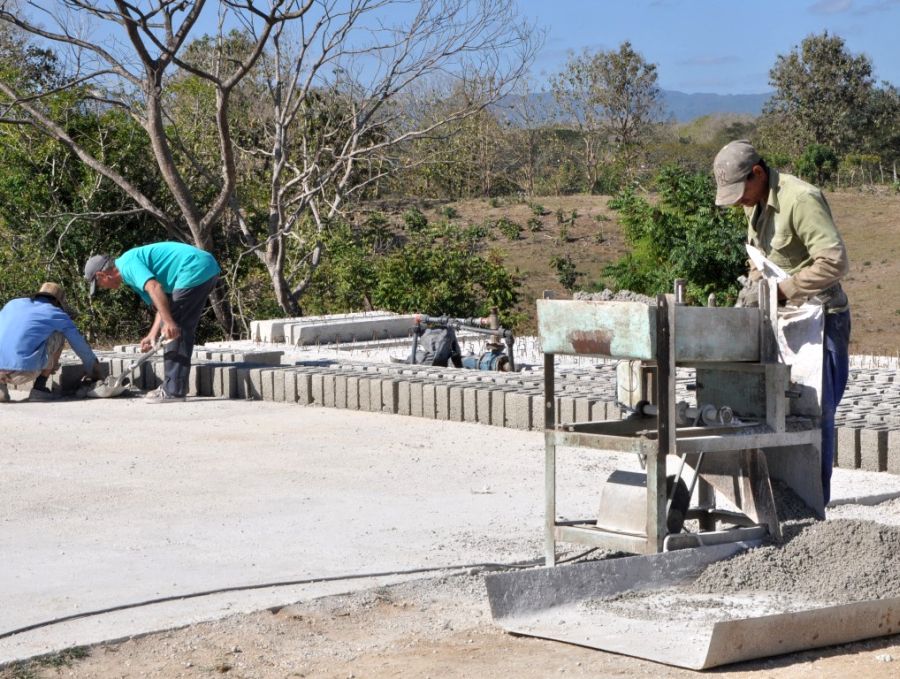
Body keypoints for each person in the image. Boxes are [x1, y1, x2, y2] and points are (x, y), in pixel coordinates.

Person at [713, 139, 851, 505]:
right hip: (785, 322)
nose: (739, 201)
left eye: (740, 192)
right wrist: (755, 286)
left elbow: (835, 261)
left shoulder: (800, 199)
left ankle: (814, 507)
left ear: (758, 173)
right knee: (779, 415)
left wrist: (784, 290)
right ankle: (781, 503)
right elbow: (764, 258)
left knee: (814, 420)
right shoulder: (754, 203)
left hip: (821, 323)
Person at [84, 242, 220, 404]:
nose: (103, 288)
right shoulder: (130, 274)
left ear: (101, 275)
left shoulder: (127, 265)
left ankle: (173, 390)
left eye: (99, 284)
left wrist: (170, 322)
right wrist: (152, 334)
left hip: (194, 266)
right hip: (205, 267)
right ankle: (174, 386)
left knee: (176, 329)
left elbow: (154, 287)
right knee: (173, 326)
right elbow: (163, 305)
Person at [0, 282, 101, 403]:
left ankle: (1, 387)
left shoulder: (13, 304)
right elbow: (79, 345)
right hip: (24, 371)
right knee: (59, 333)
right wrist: (93, 368)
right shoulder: (56, 314)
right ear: (58, 302)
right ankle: (40, 388)